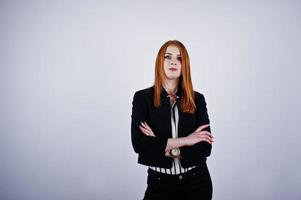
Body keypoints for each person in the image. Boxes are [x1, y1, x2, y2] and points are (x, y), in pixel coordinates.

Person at [131, 40, 214, 200]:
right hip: (160, 184)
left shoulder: (197, 99)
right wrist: (188, 140)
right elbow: (139, 144)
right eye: (167, 56)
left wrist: (163, 146)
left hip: (197, 182)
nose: (173, 61)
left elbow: (205, 147)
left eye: (180, 58)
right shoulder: (143, 98)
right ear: (159, 62)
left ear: (185, 65)